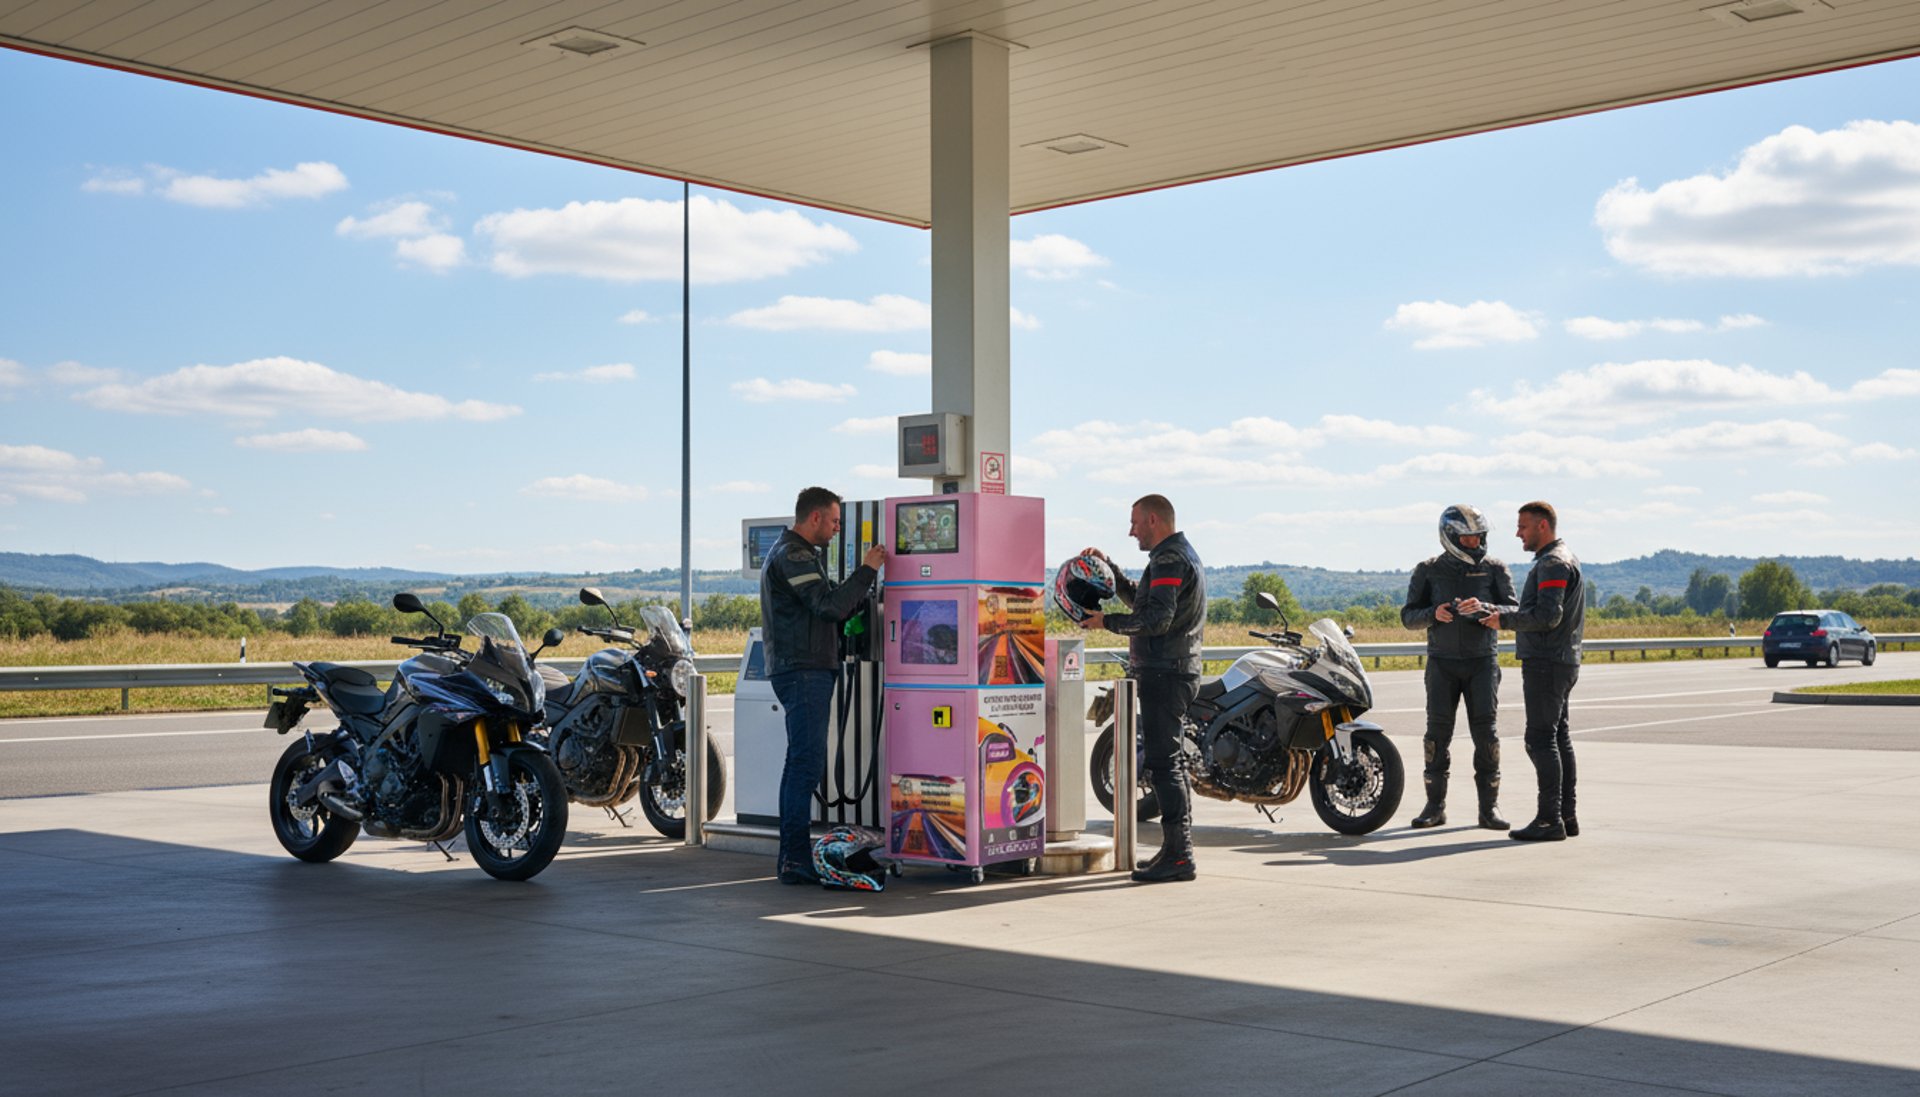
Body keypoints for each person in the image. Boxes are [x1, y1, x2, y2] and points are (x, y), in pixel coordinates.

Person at [1077, 494, 1207, 884]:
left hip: (1166, 673)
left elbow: (1155, 620)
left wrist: (1105, 622)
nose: (1131, 531)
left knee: (1166, 765)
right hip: (1172, 671)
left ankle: (1180, 856)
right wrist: (1111, 570)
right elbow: (1143, 602)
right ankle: (1175, 850)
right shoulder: (1174, 556)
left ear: (1153, 520)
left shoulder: (1169, 559)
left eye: (1135, 523)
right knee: (1169, 764)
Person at [759, 486, 886, 883]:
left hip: (803, 668)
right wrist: (868, 570)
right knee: (805, 764)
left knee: (799, 763)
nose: (837, 528)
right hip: (803, 671)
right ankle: (795, 860)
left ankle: (792, 857)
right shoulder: (793, 555)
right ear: (814, 517)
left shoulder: (795, 554)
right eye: (834, 521)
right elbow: (828, 606)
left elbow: (827, 603)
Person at [1400, 504, 1516, 831]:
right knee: (1436, 736)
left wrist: (1485, 607)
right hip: (1442, 664)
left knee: (1487, 736)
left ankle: (1489, 809)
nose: (1475, 542)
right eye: (1467, 538)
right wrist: (1432, 614)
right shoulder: (1428, 569)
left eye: (1479, 536)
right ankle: (1434, 807)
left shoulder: (1495, 568)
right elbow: (1408, 616)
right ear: (1450, 537)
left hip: (1482, 662)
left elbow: (1515, 610)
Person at [1480, 501, 1585, 842]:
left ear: (1542, 526)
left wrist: (1504, 621)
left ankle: (1549, 820)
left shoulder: (1552, 563)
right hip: (1562, 660)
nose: (1517, 533)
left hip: (1547, 662)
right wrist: (1495, 611)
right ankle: (1566, 816)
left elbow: (1547, 616)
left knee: (1539, 739)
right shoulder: (1562, 558)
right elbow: (1541, 611)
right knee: (1558, 737)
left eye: (1523, 526)